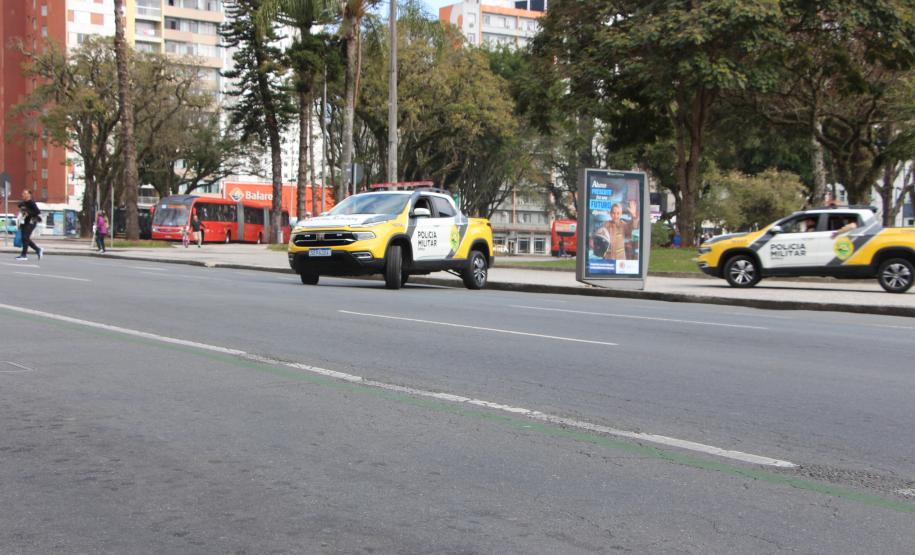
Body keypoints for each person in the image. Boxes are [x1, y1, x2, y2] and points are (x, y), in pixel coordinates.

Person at [15, 190, 43, 261]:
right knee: (24, 238)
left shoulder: (31, 202)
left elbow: (37, 212)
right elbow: (20, 206)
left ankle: (24, 255)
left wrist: (28, 213)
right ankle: (37, 249)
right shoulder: (23, 202)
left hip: (32, 221)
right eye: (22, 193)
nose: (23, 194)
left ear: (29, 195)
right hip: (25, 221)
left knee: (25, 237)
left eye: (25, 193)